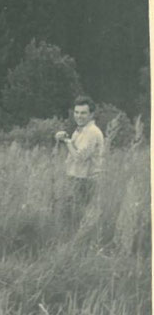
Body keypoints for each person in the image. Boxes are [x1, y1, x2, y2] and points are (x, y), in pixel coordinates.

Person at [54, 95, 104, 229]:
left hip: (86, 181)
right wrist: (62, 140)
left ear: (91, 114)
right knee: (71, 218)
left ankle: (82, 245)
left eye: (83, 113)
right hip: (76, 178)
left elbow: (79, 158)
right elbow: (70, 155)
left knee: (81, 220)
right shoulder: (80, 130)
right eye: (76, 112)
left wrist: (68, 141)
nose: (79, 116)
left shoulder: (92, 132)